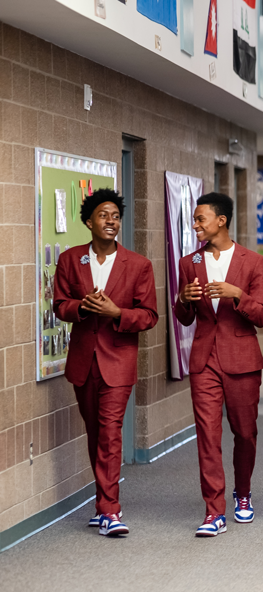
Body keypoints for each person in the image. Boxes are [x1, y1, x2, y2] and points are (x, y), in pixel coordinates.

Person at [53, 188, 158, 537]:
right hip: (84, 361)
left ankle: (110, 511)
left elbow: (149, 315)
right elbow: (59, 305)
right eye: (103, 215)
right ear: (88, 221)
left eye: (115, 215)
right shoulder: (70, 260)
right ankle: (103, 501)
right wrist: (81, 307)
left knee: (111, 432)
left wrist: (117, 313)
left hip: (119, 360)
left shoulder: (139, 265)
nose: (111, 221)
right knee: (96, 432)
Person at [173, 193, 263, 537]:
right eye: (195, 220)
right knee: (207, 436)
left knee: (245, 433)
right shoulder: (188, 263)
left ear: (222, 220)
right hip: (204, 360)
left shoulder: (252, 262)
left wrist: (237, 295)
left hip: (242, 358)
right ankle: (214, 511)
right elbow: (184, 318)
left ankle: (242, 493)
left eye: (201, 219)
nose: (195, 224)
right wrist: (181, 301)